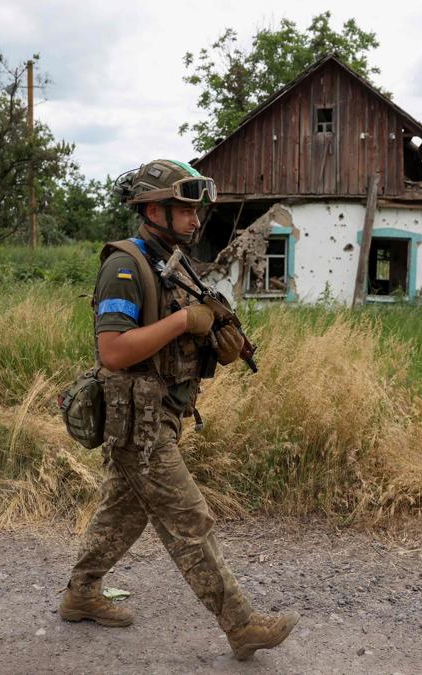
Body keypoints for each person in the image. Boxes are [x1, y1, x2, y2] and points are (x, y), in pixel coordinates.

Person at [59, 159, 299, 660]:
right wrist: (186, 321)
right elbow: (115, 352)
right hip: (137, 419)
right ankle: (242, 625)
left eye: (197, 211)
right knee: (190, 521)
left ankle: (81, 594)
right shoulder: (125, 266)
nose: (196, 220)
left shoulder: (176, 262)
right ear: (152, 210)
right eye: (184, 211)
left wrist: (219, 343)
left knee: (122, 514)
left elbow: (186, 338)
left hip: (161, 411)